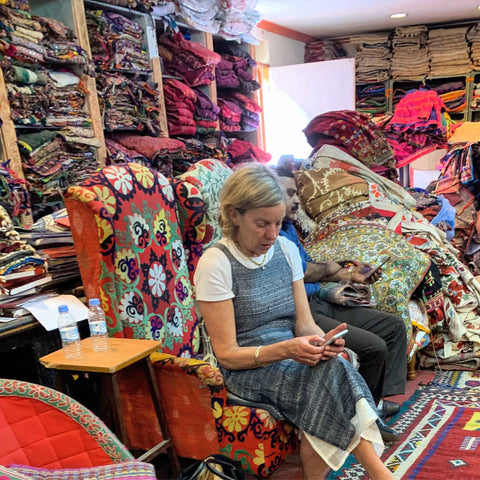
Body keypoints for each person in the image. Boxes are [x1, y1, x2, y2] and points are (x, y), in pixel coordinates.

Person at [194, 163, 394, 480]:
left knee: (332, 363)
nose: (272, 233)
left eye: (278, 222)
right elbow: (227, 354)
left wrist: (320, 341)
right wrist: (289, 349)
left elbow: (304, 325)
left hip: (288, 354)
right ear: (234, 215)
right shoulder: (216, 263)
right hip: (246, 368)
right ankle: (379, 473)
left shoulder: (286, 249)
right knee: (329, 375)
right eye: (262, 224)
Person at [273, 166, 407, 421]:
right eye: (289, 194)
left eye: (296, 194)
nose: (296, 201)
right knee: (374, 347)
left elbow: (313, 270)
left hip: (317, 300)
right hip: (301, 310)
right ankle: (360, 418)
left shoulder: (289, 228)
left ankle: (374, 405)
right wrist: (331, 269)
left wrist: (350, 275)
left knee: (393, 326)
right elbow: (304, 271)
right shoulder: (271, 235)